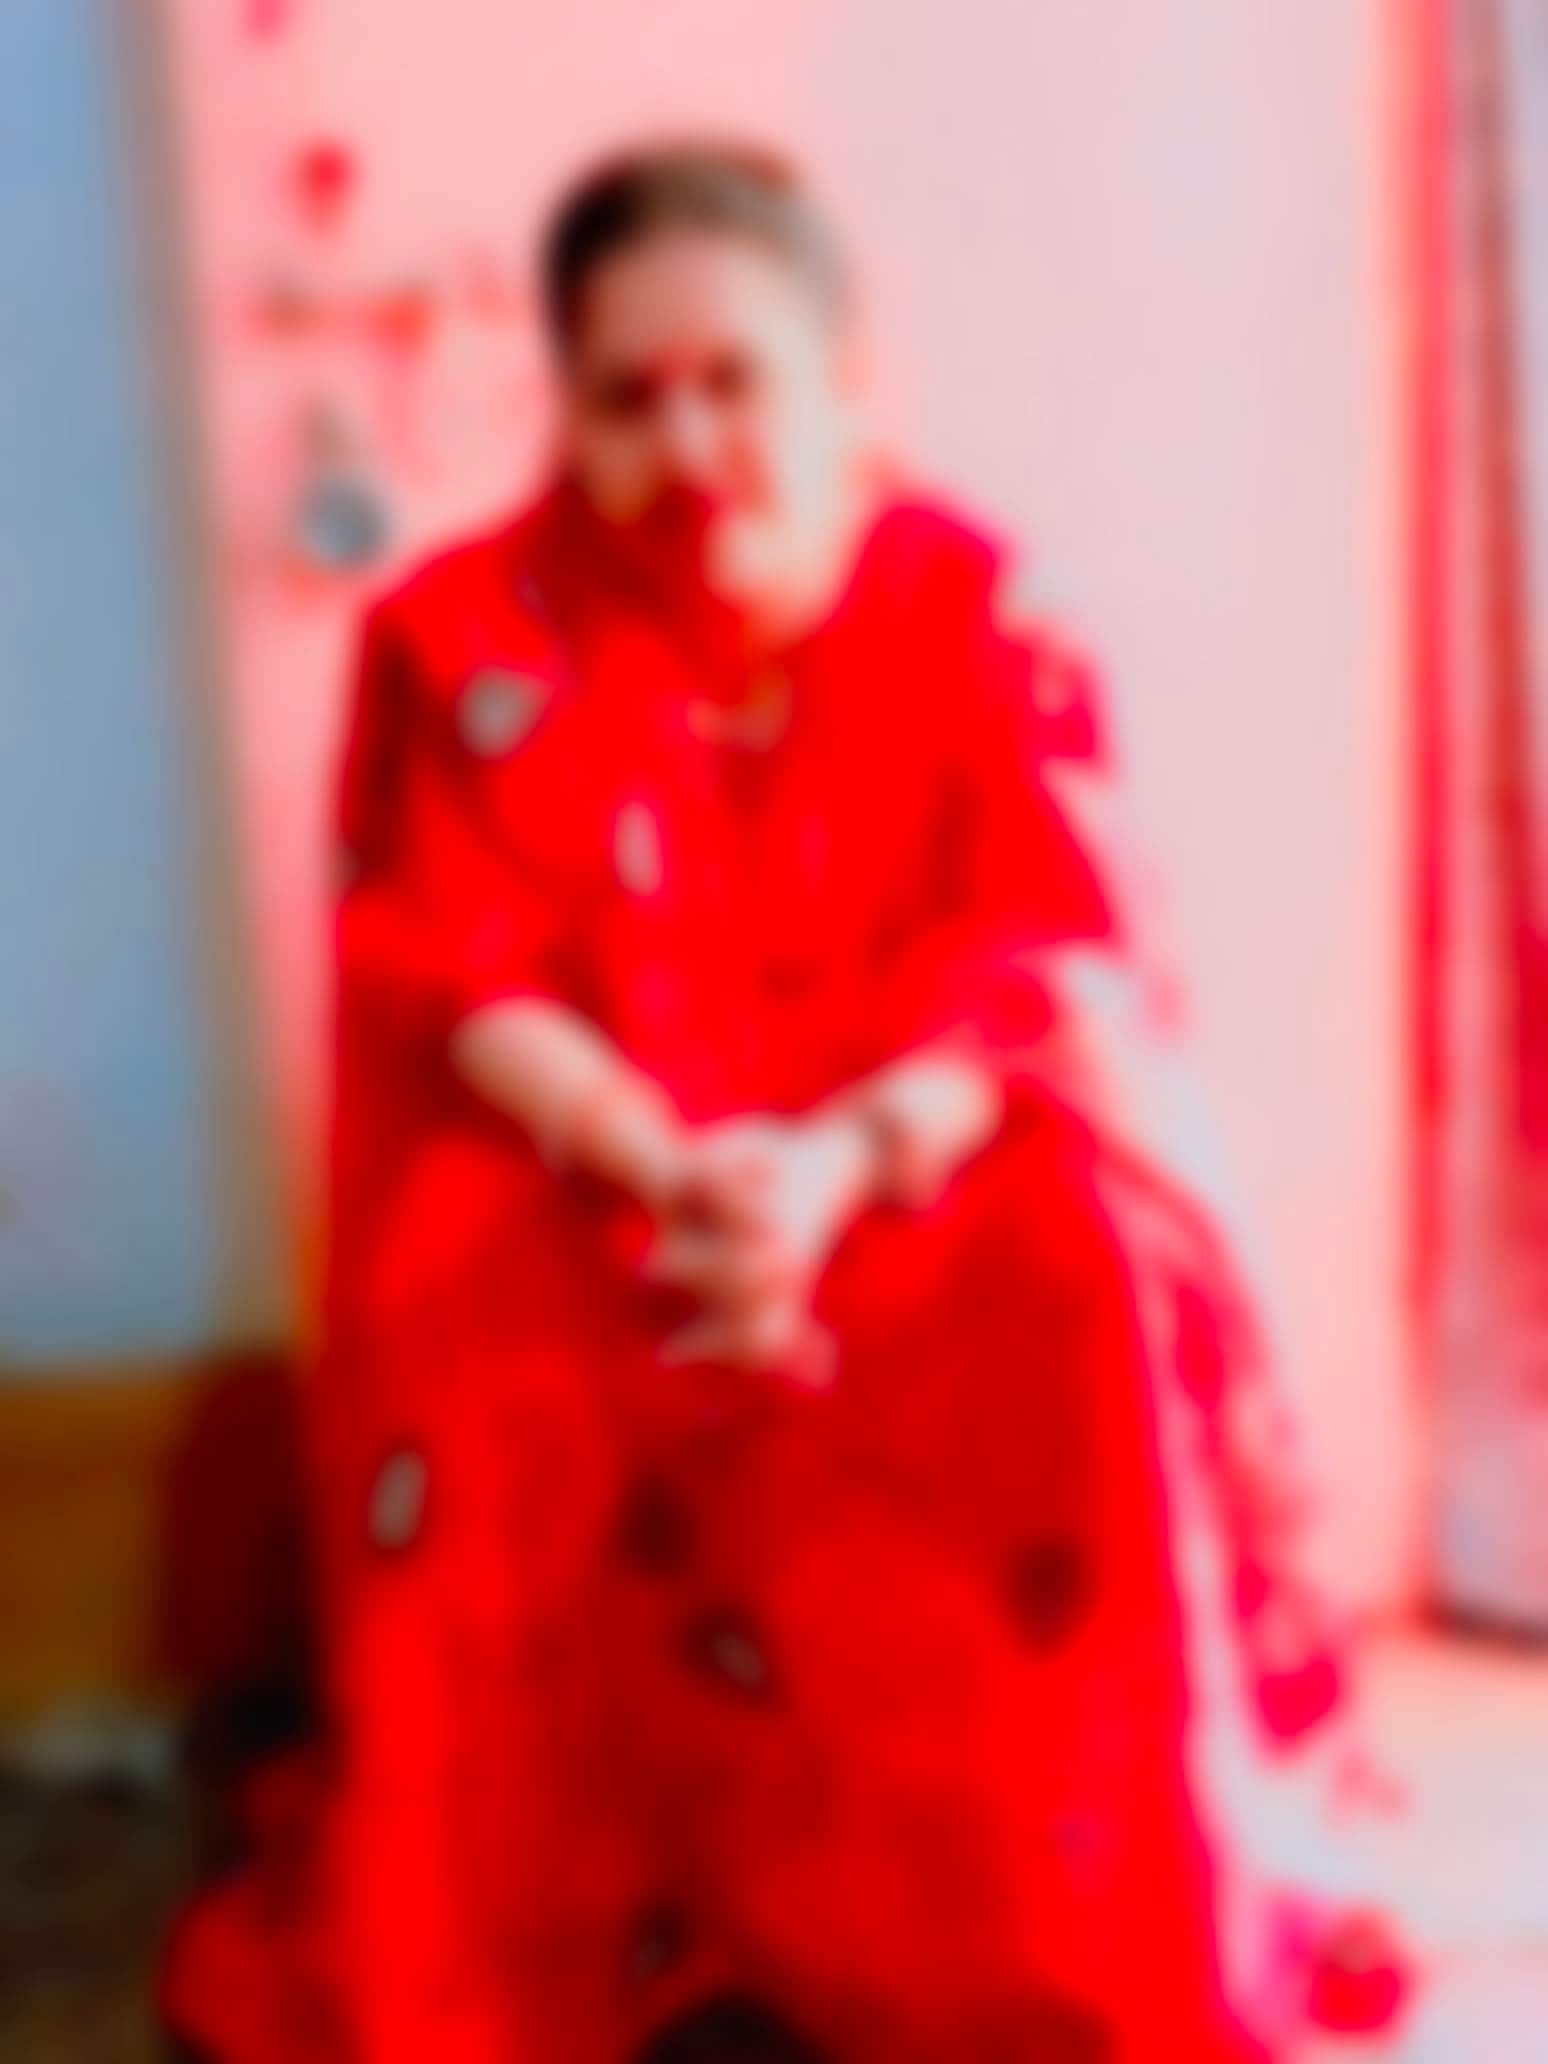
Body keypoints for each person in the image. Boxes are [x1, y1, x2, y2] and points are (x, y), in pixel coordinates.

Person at [160, 142, 1409, 2064]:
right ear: (562, 413)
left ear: (843, 380)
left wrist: (832, 1167)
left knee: (1080, 1259)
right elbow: (453, 980)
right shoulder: (460, 641)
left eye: (734, 383)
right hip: (605, 1161)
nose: (689, 448)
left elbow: (1051, 958)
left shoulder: (979, 604)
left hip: (910, 1150)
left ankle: (1050, 1921)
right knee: (483, 1291)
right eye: (628, 399)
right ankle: (584, 1930)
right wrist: (663, 1167)